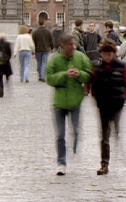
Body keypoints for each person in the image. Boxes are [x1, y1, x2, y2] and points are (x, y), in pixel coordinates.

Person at [46, 33, 93, 175]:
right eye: (70, 44)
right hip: (59, 102)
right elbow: (49, 79)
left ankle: (75, 146)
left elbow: (89, 74)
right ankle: (61, 162)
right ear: (62, 45)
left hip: (75, 101)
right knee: (60, 134)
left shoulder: (81, 57)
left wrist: (79, 75)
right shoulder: (54, 59)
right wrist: (65, 75)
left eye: (74, 44)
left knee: (76, 130)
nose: (73, 47)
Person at [88, 38, 126, 175]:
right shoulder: (97, 68)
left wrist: (124, 97)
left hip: (117, 103)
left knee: (116, 131)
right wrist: (95, 97)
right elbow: (92, 85)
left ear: (114, 53)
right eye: (104, 54)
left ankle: (120, 152)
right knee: (104, 135)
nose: (107, 57)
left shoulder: (122, 66)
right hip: (103, 104)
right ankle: (104, 163)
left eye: (109, 54)